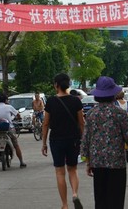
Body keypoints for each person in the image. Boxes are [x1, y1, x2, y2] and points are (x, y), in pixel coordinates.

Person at [81, 77, 128, 209]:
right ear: (113, 94)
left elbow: (86, 139)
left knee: (100, 199)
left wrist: (88, 162)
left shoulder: (91, 114)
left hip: (97, 163)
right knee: (116, 199)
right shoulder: (119, 113)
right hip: (117, 163)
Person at [42, 73, 84, 209]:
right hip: (73, 139)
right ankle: (75, 194)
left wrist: (43, 143)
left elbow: (46, 124)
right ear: (68, 84)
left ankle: (65, 205)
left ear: (56, 85)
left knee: (60, 172)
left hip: (56, 140)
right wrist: (83, 139)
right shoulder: (76, 101)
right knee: (73, 169)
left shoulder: (51, 102)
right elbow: (81, 122)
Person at [0, 93, 27, 168]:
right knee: (16, 145)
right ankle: (21, 162)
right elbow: (18, 115)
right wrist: (18, 118)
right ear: (5, 100)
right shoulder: (9, 107)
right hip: (9, 129)